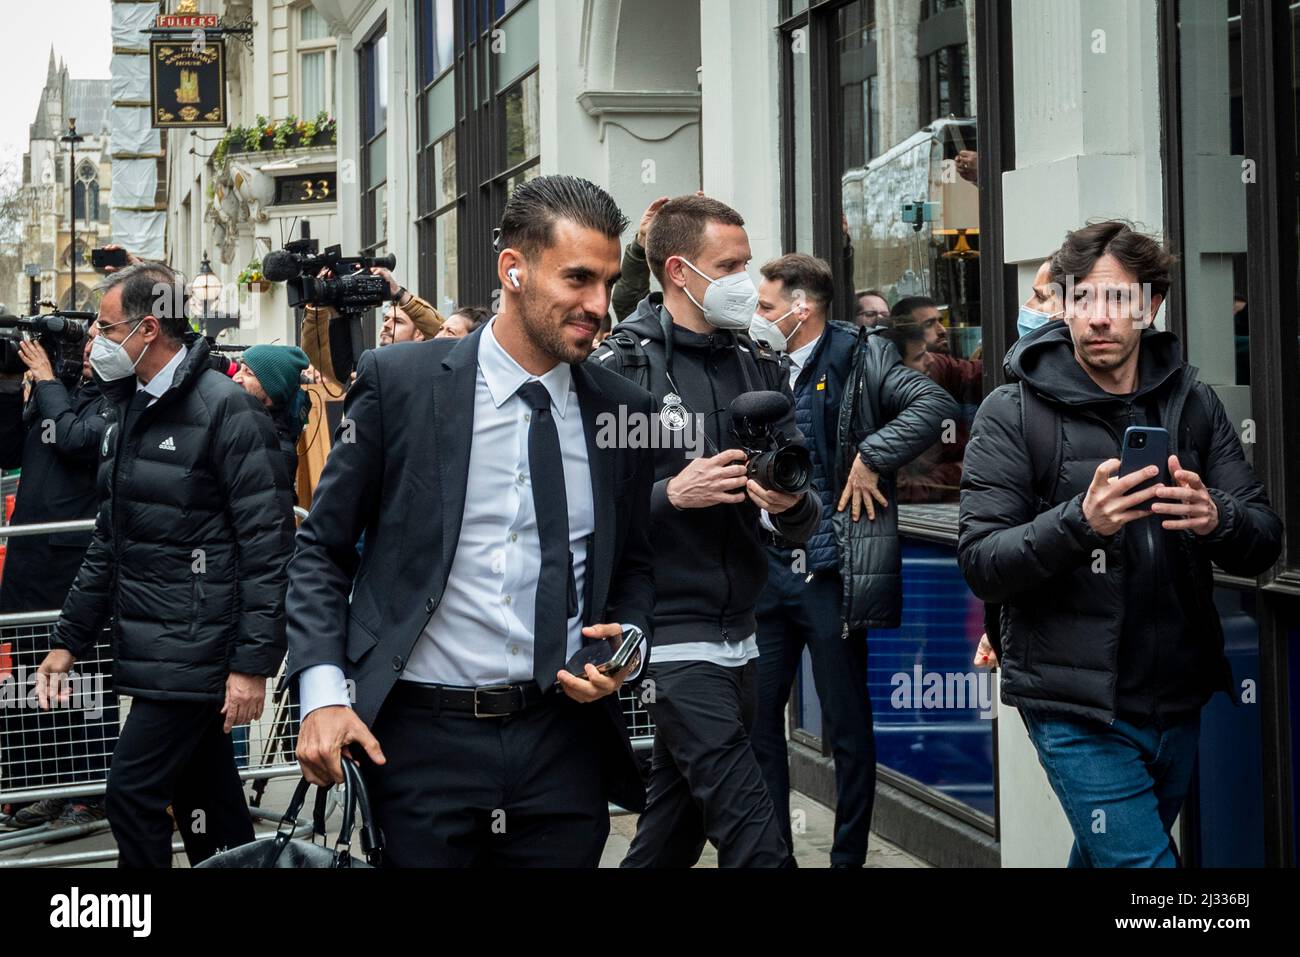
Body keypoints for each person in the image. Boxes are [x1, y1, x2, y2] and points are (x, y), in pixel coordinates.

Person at [287, 175, 656, 868]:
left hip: (565, 744)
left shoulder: (622, 407)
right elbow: (321, 550)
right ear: (511, 270)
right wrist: (321, 694)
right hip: (420, 743)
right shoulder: (400, 383)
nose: (599, 306)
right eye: (578, 278)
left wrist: (628, 647)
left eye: (607, 282)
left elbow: (635, 562)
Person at [958, 221, 1283, 867]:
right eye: (1082, 299)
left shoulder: (1193, 402)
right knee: (1147, 868)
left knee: (1110, 859)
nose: (1098, 318)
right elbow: (983, 561)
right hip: (1074, 704)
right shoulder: (1012, 411)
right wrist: (1082, 522)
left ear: (1151, 305)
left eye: (1117, 299)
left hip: (1175, 693)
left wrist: (1215, 515)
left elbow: (1264, 540)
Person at [35, 262, 296, 868]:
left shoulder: (227, 410)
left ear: (147, 329)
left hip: (194, 652)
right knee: (211, 807)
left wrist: (252, 665)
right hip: (157, 647)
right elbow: (112, 539)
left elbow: (268, 549)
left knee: (130, 794)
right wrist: (68, 640)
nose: (95, 341)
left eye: (105, 327)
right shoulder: (128, 406)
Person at [594, 194, 820, 868]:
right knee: (757, 842)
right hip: (667, 637)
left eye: (746, 263)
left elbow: (805, 519)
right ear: (678, 271)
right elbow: (587, 510)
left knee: (672, 833)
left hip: (742, 635)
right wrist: (672, 493)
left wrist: (786, 503)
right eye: (730, 265)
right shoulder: (623, 369)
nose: (745, 281)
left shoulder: (758, 364)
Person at [747, 254, 956, 868]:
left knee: (846, 728)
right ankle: (775, 857)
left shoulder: (861, 355)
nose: (757, 318)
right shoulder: (755, 360)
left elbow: (932, 403)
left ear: (800, 308)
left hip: (829, 570)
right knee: (760, 725)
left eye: (765, 307)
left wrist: (871, 454)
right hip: (764, 572)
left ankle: (847, 860)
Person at [0, 324, 117, 830]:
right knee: (30, 675)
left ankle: (90, 792)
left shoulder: (120, 400)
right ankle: (46, 785)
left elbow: (75, 439)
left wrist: (46, 381)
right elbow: (7, 451)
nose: (88, 346)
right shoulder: (62, 392)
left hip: (75, 567)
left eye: (98, 336)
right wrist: (10, 385)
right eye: (84, 338)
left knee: (83, 677)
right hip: (28, 558)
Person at [300, 267, 443, 388]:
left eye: (398, 321)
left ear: (419, 334)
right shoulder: (367, 367)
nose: (386, 325)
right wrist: (318, 303)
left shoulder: (429, 369)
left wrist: (398, 293)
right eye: (386, 319)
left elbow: (446, 336)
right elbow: (315, 353)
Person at [233, 344, 312, 490]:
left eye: (248, 373)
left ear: (273, 387)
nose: (236, 377)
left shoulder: (276, 450)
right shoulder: (241, 427)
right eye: (240, 369)